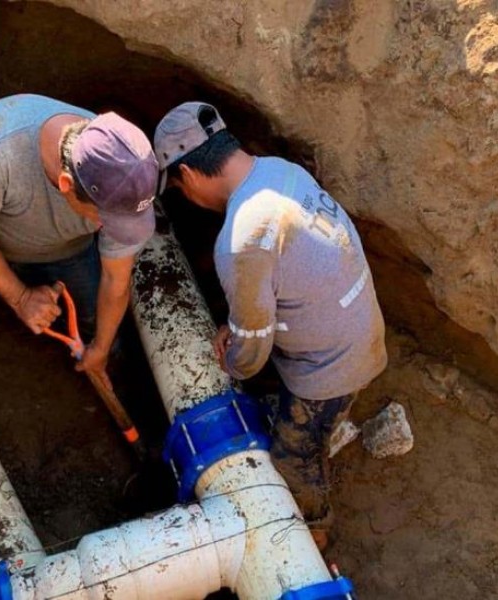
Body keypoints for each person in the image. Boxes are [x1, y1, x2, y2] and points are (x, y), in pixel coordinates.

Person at [153, 102, 387, 550]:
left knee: (293, 456)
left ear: (191, 174)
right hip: (358, 329)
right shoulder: (279, 172)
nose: (186, 198)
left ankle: (316, 532)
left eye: (179, 188)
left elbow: (251, 351)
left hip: (332, 370)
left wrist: (233, 360)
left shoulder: (241, 238)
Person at [0, 94, 157, 389]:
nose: (111, 229)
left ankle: (113, 373)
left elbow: (115, 280)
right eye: (106, 219)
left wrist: (101, 349)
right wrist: (20, 298)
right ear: (66, 184)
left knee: (99, 322)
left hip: (70, 250)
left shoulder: (123, 171)